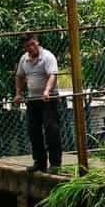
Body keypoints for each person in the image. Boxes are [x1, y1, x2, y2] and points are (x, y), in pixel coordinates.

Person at [13, 34, 62, 172]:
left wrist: (47, 91)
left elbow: (52, 75)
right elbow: (19, 76)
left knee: (51, 130)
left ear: (37, 43)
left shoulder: (47, 56)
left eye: (33, 44)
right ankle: (39, 163)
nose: (31, 48)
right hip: (32, 99)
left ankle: (55, 164)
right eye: (27, 46)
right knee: (33, 131)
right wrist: (18, 93)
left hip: (48, 99)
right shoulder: (24, 59)